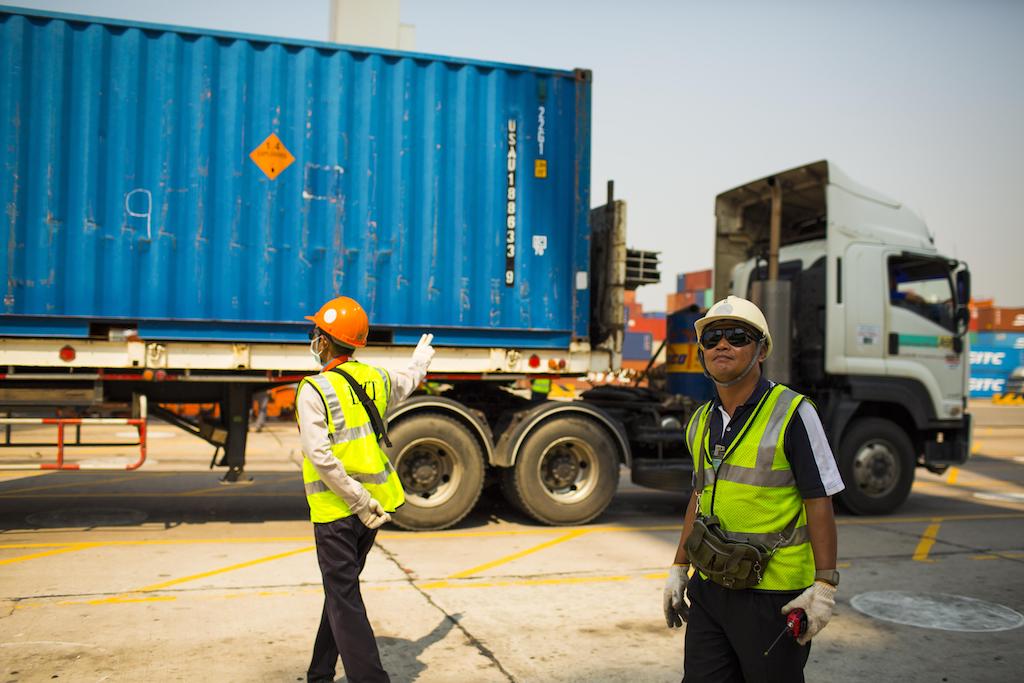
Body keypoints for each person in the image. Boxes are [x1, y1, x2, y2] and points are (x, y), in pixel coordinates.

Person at [662, 296, 844, 683]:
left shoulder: (794, 414)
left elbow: (819, 500)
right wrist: (680, 567)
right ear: (701, 353)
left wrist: (825, 586)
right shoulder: (700, 421)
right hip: (711, 589)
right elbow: (697, 498)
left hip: (773, 597)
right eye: (712, 338)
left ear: (761, 350)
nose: (722, 345)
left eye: (737, 336)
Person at [298, 295, 435, 683]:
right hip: (372, 511)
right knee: (340, 593)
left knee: (344, 600)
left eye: (316, 332)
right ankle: (320, 672)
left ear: (325, 342)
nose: (313, 339)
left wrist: (357, 501)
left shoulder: (314, 390)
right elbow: (407, 382)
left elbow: (320, 456)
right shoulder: (374, 378)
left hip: (339, 512)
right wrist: (419, 362)